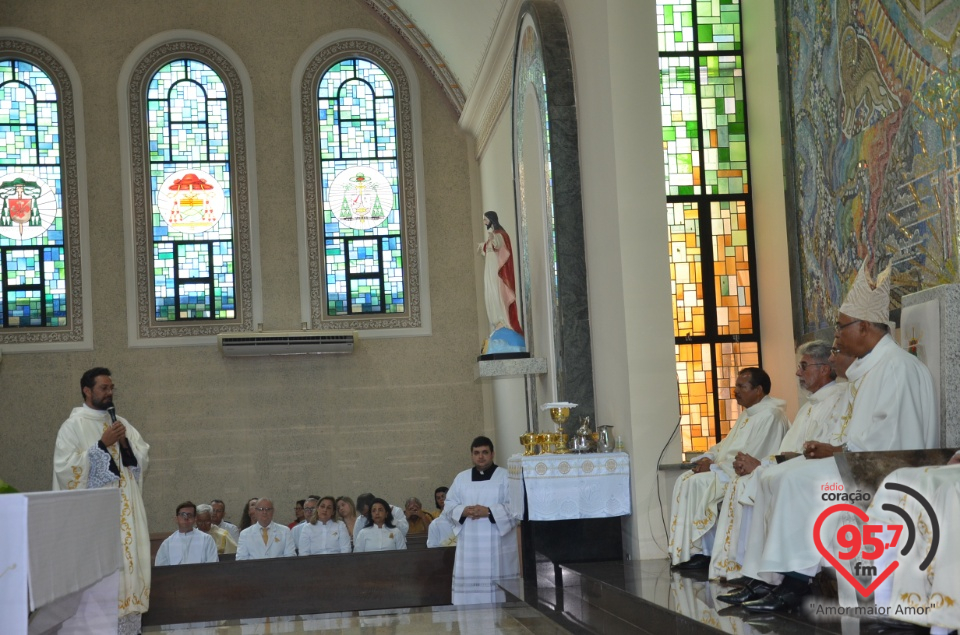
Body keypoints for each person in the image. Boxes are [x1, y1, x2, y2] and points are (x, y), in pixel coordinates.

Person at [729, 263, 939, 613]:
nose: (838, 338)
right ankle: (767, 578)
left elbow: (892, 441)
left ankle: (794, 581)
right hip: (858, 462)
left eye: (842, 327)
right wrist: (834, 449)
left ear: (866, 327)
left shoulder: (898, 368)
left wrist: (838, 450)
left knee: (794, 480)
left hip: (884, 473)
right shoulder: (869, 370)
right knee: (776, 474)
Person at [708, 341, 854, 580]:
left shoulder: (839, 400)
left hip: (819, 475)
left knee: (763, 478)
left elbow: (817, 451)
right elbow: (788, 451)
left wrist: (764, 465)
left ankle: (775, 577)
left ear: (824, 369)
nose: (798, 372)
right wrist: (763, 464)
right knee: (750, 480)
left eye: (803, 366)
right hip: (796, 470)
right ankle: (752, 573)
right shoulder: (810, 406)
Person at [52, 367, 151, 635]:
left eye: (111, 388)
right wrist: (101, 446)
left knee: (128, 576)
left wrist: (126, 445)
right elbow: (67, 472)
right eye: (103, 388)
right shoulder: (73, 426)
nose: (109, 393)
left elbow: (141, 457)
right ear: (87, 390)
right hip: (97, 521)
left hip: (127, 513)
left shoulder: (123, 423)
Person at [668, 367, 788, 570]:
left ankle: (705, 553)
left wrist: (714, 467)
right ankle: (694, 550)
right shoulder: (748, 414)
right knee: (685, 479)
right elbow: (727, 445)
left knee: (697, 483)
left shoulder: (771, 416)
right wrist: (708, 457)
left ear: (758, 390)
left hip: (743, 475)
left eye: (742, 387)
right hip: (724, 470)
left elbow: (754, 454)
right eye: (736, 386)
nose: (736, 391)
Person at [443, 436, 519, 604]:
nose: (481, 456)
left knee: (499, 597)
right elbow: (448, 506)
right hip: (470, 545)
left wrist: (490, 511)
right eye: (476, 453)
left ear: (492, 454)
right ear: (472, 455)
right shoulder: (461, 478)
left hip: (497, 542)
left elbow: (517, 508)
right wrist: (463, 510)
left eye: (485, 452)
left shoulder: (505, 477)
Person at [477, 211, 522, 335]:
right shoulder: (493, 234)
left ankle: (502, 320)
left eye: (485, 219)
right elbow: (490, 249)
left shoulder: (500, 234)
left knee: (497, 293)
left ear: (492, 220)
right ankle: (496, 323)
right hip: (489, 270)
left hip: (496, 271)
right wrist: (483, 246)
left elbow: (500, 245)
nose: (484, 222)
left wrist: (494, 239)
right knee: (490, 293)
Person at [155, 501, 218, 566]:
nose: (186, 518)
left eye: (189, 515)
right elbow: (161, 568)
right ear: (176, 519)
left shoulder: (207, 540)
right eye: (182, 515)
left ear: (195, 519)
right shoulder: (167, 543)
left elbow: (212, 566)